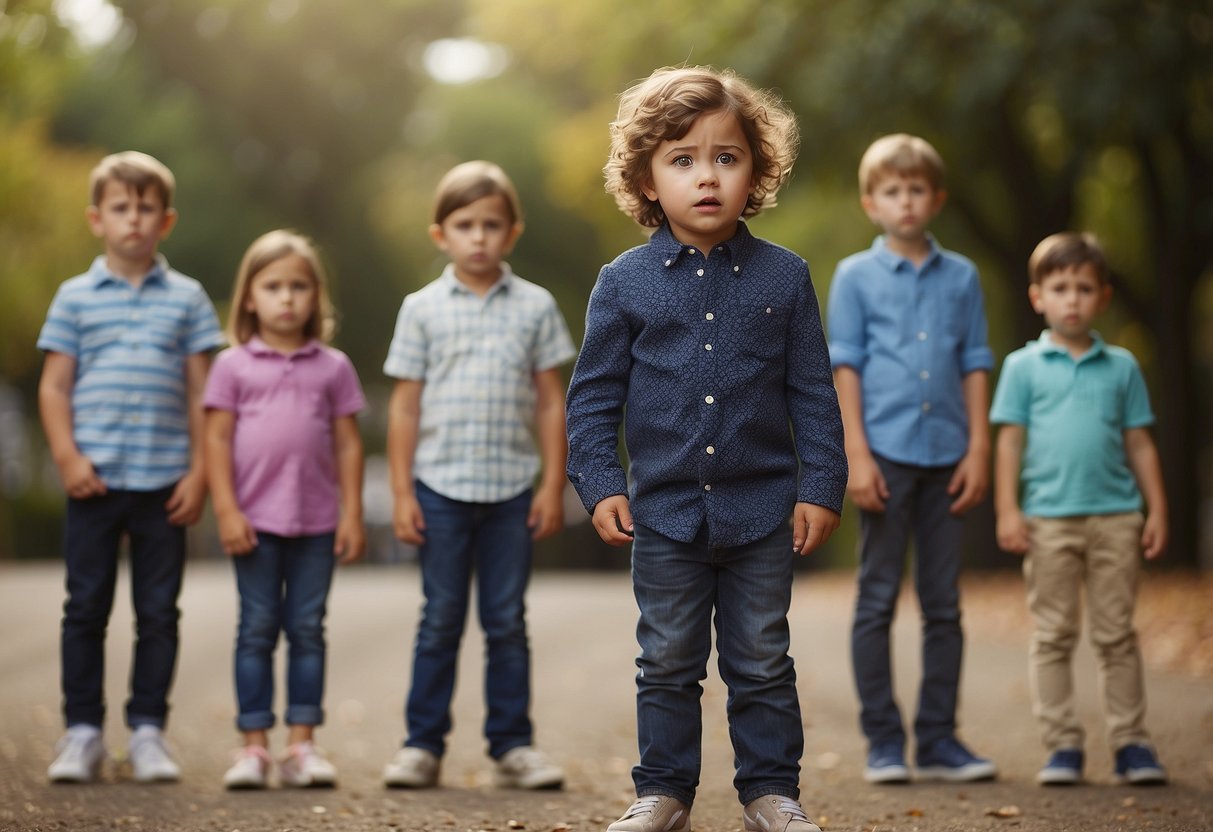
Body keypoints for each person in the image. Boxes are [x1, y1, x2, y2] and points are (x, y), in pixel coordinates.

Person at [566, 66, 847, 832]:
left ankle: (769, 794)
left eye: (727, 157)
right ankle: (663, 794)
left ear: (754, 172)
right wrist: (599, 482)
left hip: (761, 510)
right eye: (682, 159)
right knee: (665, 662)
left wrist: (820, 485)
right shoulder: (621, 283)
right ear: (647, 179)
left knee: (760, 661)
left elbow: (812, 392)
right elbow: (592, 396)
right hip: (663, 513)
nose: (706, 176)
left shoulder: (784, 278)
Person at [381, 160, 575, 791]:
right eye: (465, 225)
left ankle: (513, 744)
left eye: (492, 225)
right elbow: (405, 405)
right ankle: (422, 744)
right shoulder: (422, 309)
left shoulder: (536, 307)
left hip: (512, 490)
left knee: (506, 621)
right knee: (439, 617)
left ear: (512, 232)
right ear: (441, 234)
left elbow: (551, 400)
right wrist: (402, 491)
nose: (479, 237)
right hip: (439, 489)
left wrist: (552, 485)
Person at [37, 150, 223, 783]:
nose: (134, 220)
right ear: (98, 219)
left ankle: (147, 730)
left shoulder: (189, 299)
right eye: (122, 208)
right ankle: (82, 730)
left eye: (147, 209)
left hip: (164, 481)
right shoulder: (75, 297)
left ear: (165, 221)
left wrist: (200, 472)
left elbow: (205, 394)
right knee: (86, 606)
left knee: (158, 611)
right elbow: (55, 387)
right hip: (94, 479)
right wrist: (66, 455)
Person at [826, 133, 997, 784]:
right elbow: (846, 366)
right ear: (871, 202)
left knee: (942, 604)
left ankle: (938, 738)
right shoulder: (855, 277)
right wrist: (856, 454)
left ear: (936, 198)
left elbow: (976, 362)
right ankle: (882, 742)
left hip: (948, 454)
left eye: (916, 189)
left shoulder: (961, 278)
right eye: (891, 191)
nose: (905, 202)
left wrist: (978, 447)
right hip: (885, 454)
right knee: (875, 599)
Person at [991, 232, 1169, 786]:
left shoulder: (1122, 368)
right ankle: (1062, 746)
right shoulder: (1023, 367)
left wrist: (1157, 509)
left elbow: (1140, 443)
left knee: (1116, 635)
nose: (1072, 299)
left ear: (1103, 298)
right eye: (1060, 288)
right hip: (1047, 519)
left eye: (1084, 288)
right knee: (1054, 633)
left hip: (1116, 516)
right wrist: (1008, 510)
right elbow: (1010, 443)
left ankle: (1131, 743)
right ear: (1038, 296)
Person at [203, 230, 367, 789]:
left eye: (299, 286)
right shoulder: (232, 368)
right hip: (253, 524)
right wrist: (225, 509)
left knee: (307, 630)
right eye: (273, 286)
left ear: (315, 298)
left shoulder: (333, 368)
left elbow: (347, 444)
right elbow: (217, 441)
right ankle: (252, 746)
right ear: (249, 297)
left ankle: (301, 746)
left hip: (317, 523)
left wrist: (350, 514)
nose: (287, 298)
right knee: (255, 630)